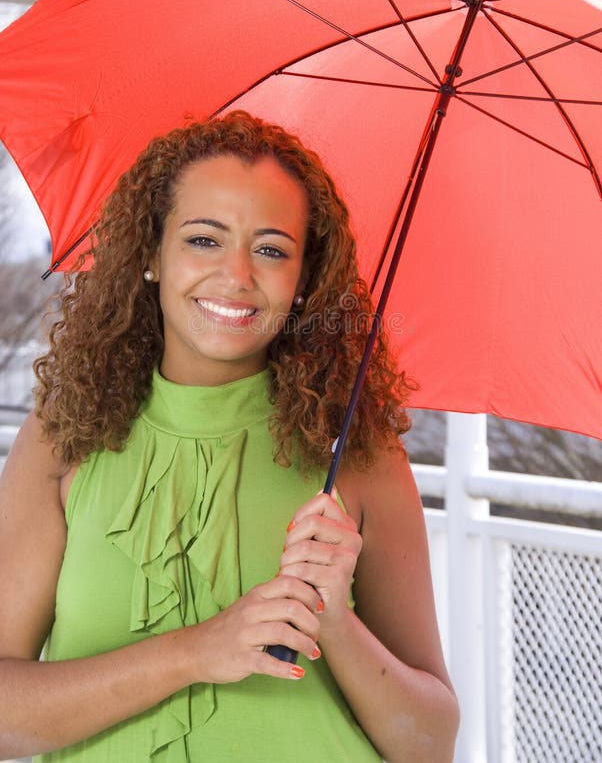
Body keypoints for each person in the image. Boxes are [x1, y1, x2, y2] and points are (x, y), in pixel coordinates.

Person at [0, 111, 459, 762]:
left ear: (304, 282)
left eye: (271, 249)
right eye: (204, 240)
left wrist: (337, 621)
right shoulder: (64, 439)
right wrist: (195, 651)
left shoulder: (357, 454)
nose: (238, 275)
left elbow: (431, 743)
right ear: (152, 254)